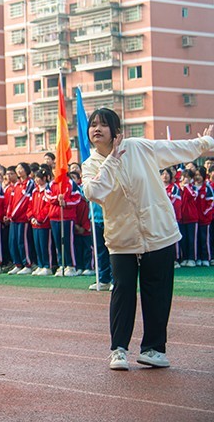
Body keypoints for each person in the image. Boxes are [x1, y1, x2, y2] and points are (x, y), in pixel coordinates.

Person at [82, 108, 214, 370]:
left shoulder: (139, 147)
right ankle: (118, 350)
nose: (97, 129)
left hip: (159, 233)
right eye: (93, 125)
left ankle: (153, 349)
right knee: (123, 292)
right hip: (122, 239)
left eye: (104, 125)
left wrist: (205, 143)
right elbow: (95, 191)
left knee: (158, 292)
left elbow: (174, 148)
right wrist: (113, 159)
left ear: (116, 131)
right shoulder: (91, 165)